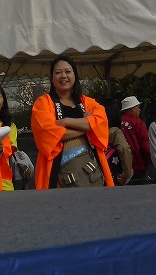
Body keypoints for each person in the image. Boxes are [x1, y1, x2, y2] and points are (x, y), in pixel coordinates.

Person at [31, 57, 113, 189]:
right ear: (52, 78)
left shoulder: (87, 102)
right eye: (58, 72)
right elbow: (48, 134)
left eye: (68, 71)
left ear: (75, 75)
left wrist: (65, 121)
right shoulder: (43, 103)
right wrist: (85, 127)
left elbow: (100, 121)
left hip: (91, 171)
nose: (63, 76)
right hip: (57, 173)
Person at [120, 96, 151, 183]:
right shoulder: (138, 122)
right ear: (132, 109)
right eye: (138, 107)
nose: (139, 110)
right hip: (138, 165)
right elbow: (145, 146)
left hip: (120, 166)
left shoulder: (117, 122)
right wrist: (150, 160)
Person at [104, 98, 133, 186]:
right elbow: (124, 148)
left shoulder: (94, 131)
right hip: (114, 177)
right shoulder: (115, 132)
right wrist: (125, 174)